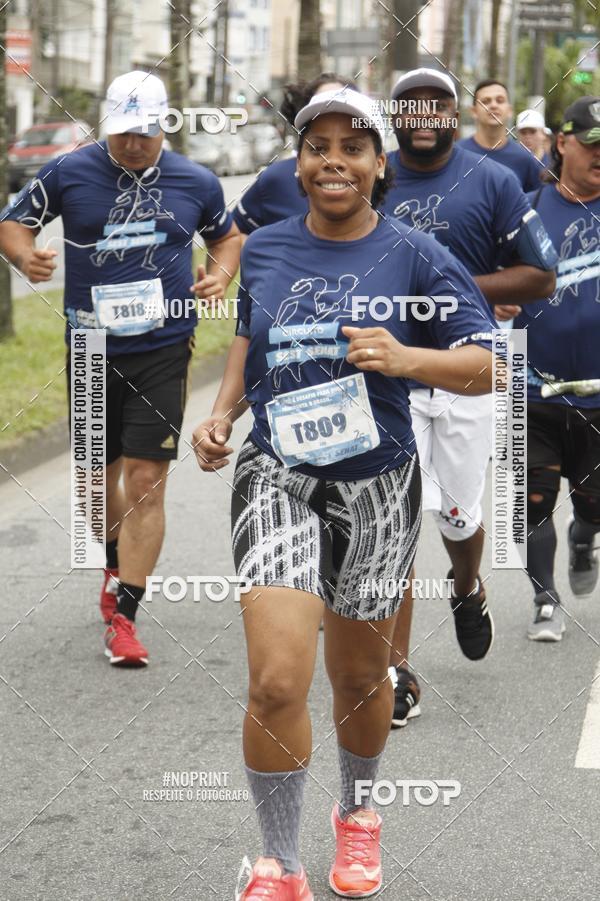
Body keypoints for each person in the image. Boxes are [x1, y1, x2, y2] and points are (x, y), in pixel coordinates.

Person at [193, 87, 496, 899]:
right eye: (317, 145)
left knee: (361, 679)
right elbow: (251, 338)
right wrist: (222, 414)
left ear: (378, 164)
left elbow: (486, 363)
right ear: (298, 163)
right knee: (277, 679)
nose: (334, 159)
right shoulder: (264, 248)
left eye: (352, 147)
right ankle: (279, 862)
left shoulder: (416, 255)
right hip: (277, 476)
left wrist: (406, 359)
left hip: (377, 482)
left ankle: (358, 811)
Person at [0, 71, 241, 666]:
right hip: (89, 347)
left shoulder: (197, 180)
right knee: (92, 483)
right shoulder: (69, 171)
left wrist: (220, 272)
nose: (133, 144)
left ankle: (125, 616)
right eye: (123, 132)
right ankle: (113, 562)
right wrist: (24, 256)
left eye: (145, 132)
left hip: (164, 346)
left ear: (164, 126)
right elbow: (12, 222)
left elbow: (228, 237)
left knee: (146, 481)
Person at [380, 67, 557, 726]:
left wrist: (453, 292)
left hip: (470, 372)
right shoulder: (375, 178)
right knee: (393, 525)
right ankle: (394, 672)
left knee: (457, 516)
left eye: (437, 104)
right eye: (410, 104)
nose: (424, 114)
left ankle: (467, 585)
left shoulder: (494, 181)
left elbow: (541, 273)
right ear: (394, 117)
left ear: (454, 115)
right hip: (389, 377)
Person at [515, 96, 600, 640]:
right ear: (562, 142)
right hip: (532, 388)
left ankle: (584, 536)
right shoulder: (522, 210)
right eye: (593, 144)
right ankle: (544, 599)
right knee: (534, 498)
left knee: (593, 503)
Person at [233, 72, 357, 237]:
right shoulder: (276, 178)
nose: (331, 116)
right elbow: (231, 237)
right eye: (322, 106)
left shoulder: (383, 184)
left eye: (342, 105)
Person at [459, 79, 543, 191]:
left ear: (509, 110)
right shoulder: (456, 154)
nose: (493, 105)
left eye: (500, 100)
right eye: (485, 101)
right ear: (473, 111)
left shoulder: (525, 160)